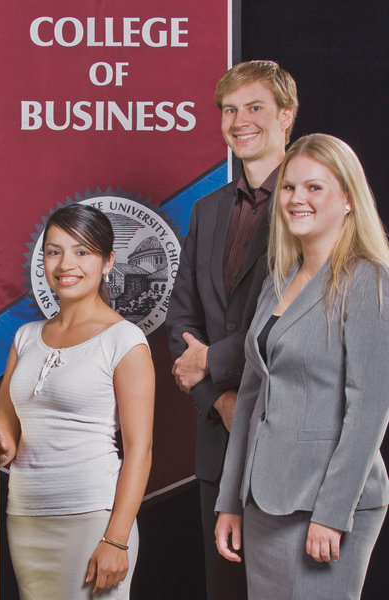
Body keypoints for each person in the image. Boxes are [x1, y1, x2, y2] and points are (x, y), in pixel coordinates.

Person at [215, 133, 389, 599]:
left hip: (324, 505)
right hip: (262, 501)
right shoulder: (279, 280)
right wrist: (230, 500)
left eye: (315, 188)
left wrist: (332, 513)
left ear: (348, 199)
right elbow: (252, 399)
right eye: (290, 187)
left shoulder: (367, 280)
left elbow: (369, 409)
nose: (297, 199)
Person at [165, 60, 298, 599]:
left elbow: (299, 318)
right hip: (219, 442)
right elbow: (181, 322)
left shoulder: (312, 199)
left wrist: (214, 362)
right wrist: (217, 399)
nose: (239, 120)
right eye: (229, 110)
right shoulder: (207, 210)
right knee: (225, 590)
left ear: (286, 115)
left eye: (254, 107)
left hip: (292, 437)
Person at [0, 204, 154, 599]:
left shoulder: (124, 340)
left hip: (93, 519)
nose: (66, 263)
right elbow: (6, 429)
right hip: (25, 519)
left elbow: (140, 450)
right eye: (54, 251)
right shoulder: (25, 337)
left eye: (82, 251)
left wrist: (116, 539)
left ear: (108, 261)